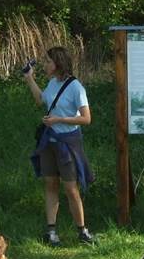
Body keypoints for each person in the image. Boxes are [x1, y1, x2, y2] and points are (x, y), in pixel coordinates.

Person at [22, 47, 94, 245]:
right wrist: (29, 79)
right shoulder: (52, 83)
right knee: (50, 185)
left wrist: (59, 120)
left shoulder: (75, 87)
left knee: (71, 188)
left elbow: (86, 118)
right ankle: (51, 232)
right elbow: (40, 100)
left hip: (68, 143)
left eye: (48, 62)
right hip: (49, 142)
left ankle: (82, 231)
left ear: (58, 64)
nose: (46, 65)